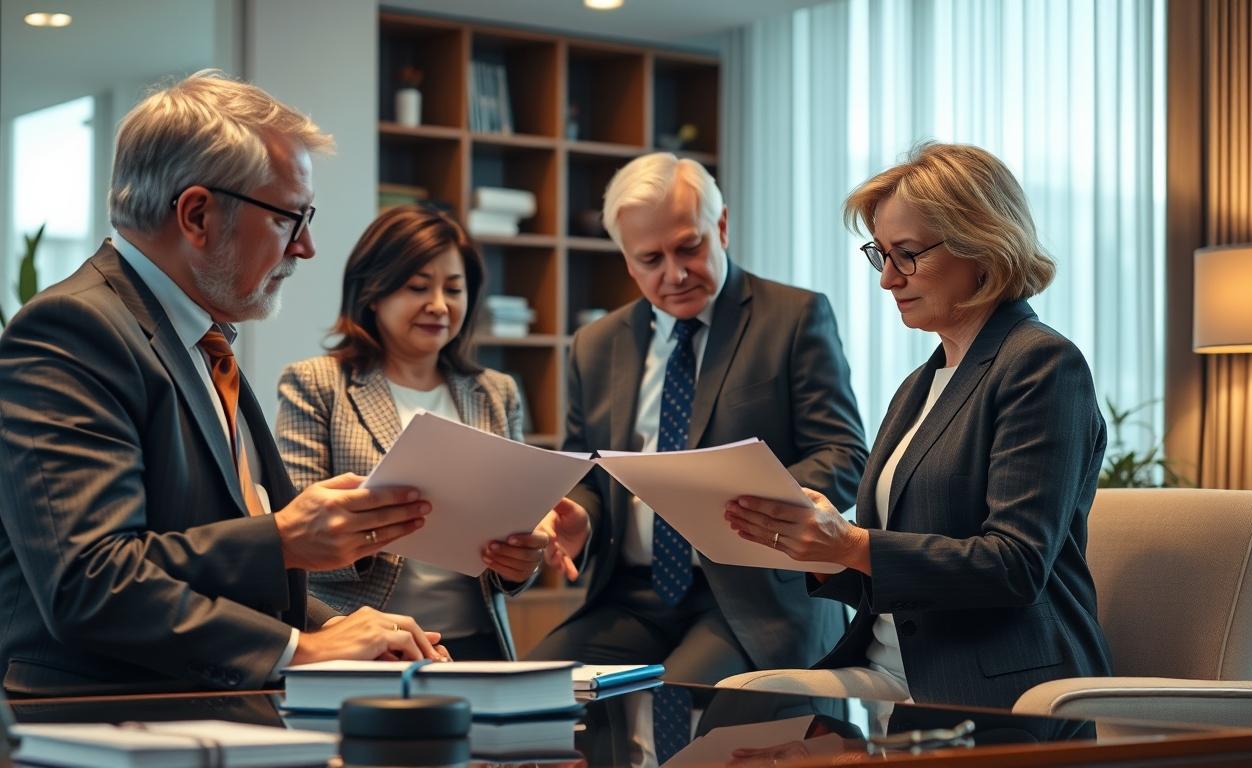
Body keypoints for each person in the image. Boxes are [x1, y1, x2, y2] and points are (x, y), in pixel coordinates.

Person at [0, 70, 447, 697]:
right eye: (290, 218)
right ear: (197, 214)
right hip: (98, 720)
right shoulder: (73, 330)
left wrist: (340, 628)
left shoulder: (200, 340)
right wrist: (297, 628)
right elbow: (91, 580)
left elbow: (205, 560)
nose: (307, 246)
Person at [722, 141, 1113, 709]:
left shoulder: (1042, 364)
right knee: (737, 713)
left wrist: (851, 543)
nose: (888, 279)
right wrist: (820, 549)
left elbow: (1015, 566)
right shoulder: (919, 385)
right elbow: (896, 570)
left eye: (906, 254)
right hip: (890, 672)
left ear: (982, 245)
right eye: (881, 255)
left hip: (993, 683)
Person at [527, 152, 869, 684]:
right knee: (534, 685)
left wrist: (746, 501)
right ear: (627, 260)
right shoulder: (595, 345)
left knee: (683, 688)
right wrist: (581, 519)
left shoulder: (793, 318)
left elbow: (845, 456)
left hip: (755, 596)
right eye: (650, 259)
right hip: (631, 596)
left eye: (689, 247)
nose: (676, 273)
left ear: (722, 226)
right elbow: (587, 473)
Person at [276, 204, 558, 660]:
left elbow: (517, 539)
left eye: (454, 289)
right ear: (373, 292)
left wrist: (520, 562)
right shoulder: (318, 384)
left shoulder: (496, 392)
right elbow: (298, 536)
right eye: (418, 287)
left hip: (477, 642)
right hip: (363, 641)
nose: (439, 305)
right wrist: (379, 528)